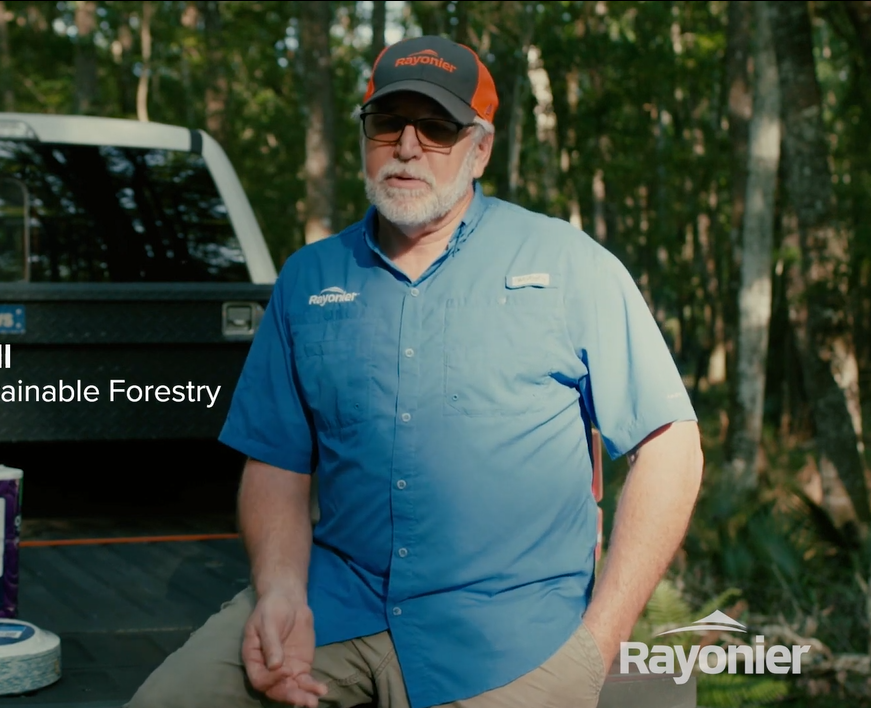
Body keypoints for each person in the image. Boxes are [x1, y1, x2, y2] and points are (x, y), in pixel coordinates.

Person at [124, 34, 704, 708]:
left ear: (479, 148)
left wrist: (599, 645)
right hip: (334, 602)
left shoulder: (568, 265)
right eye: (387, 122)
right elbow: (276, 460)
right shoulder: (309, 279)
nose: (406, 146)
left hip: (507, 632)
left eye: (436, 127)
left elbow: (670, 446)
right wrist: (280, 588)